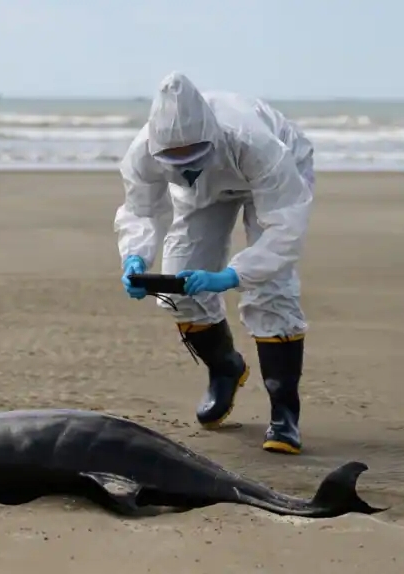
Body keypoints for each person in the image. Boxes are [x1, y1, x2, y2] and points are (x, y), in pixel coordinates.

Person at [114, 71, 315, 455]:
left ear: (211, 138)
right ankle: (225, 368)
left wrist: (230, 276)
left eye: (192, 155)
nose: (184, 164)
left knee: (270, 291)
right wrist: (135, 257)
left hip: (273, 180)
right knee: (179, 286)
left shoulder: (256, 143)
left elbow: (285, 228)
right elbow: (140, 211)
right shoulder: (141, 153)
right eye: (173, 158)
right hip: (203, 192)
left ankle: (284, 413)